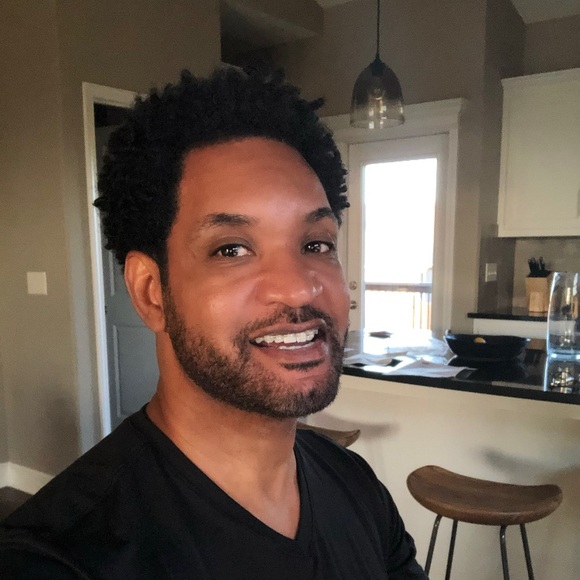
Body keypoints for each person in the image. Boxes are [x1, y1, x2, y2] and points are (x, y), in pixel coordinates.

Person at [0, 67, 427, 579]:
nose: (299, 287)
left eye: (316, 244)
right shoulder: (58, 559)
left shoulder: (357, 486)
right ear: (151, 292)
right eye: (232, 249)